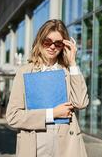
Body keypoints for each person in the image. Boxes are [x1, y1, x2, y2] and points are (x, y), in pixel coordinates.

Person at [6, 19, 89, 157]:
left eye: (58, 43)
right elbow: (12, 117)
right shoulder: (25, 72)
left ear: (64, 46)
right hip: (34, 147)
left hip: (66, 147)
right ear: (40, 41)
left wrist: (73, 63)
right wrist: (52, 113)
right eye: (47, 41)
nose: (52, 47)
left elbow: (81, 102)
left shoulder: (68, 72)